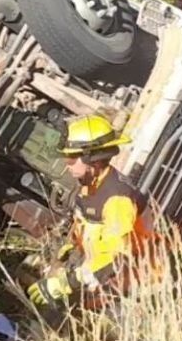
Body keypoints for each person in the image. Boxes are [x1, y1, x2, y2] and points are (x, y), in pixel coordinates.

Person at [27, 114, 155, 309]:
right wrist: (72, 245)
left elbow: (116, 259)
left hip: (134, 285)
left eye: (71, 158)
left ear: (92, 159)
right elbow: (90, 226)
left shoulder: (117, 200)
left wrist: (66, 283)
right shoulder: (90, 184)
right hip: (107, 276)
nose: (66, 164)